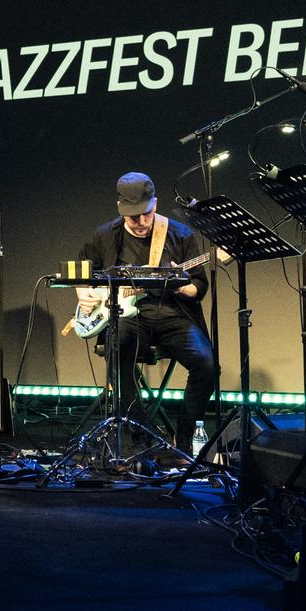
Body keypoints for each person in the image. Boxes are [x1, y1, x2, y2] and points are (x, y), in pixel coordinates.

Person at [73, 172, 218, 454]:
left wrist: (181, 285)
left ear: (156, 203)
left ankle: (185, 436)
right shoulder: (105, 234)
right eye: (133, 217)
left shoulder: (180, 234)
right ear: (120, 209)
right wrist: (83, 291)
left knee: (207, 365)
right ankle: (144, 434)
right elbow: (82, 267)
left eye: (147, 214)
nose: (141, 223)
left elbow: (199, 285)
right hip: (127, 316)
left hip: (171, 313)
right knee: (117, 355)